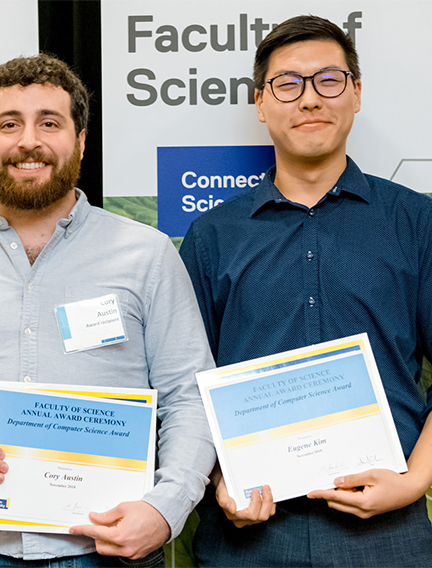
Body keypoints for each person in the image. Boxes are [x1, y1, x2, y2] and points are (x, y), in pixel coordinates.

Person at [0, 54, 216, 567]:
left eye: (49, 123)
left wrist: (166, 508)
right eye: (9, 124)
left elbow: (188, 397)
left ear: (81, 139)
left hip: (111, 553)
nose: (28, 141)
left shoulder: (148, 255)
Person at [180, 14, 432, 567]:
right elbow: (183, 388)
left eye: (329, 80)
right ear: (261, 102)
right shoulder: (212, 237)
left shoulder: (418, 223)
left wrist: (414, 482)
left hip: (391, 536)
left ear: (357, 93)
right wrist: (221, 479)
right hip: (247, 535)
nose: (310, 99)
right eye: (288, 84)